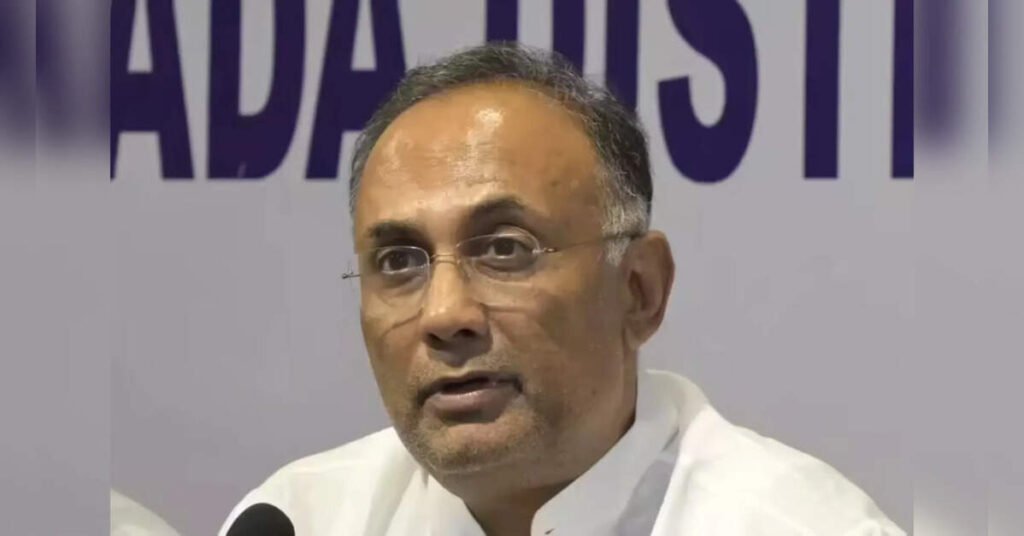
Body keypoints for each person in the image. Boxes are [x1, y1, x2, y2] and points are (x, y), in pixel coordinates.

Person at [219, 43, 903, 535]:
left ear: (639, 290)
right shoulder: (302, 520)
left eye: (504, 249)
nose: (445, 313)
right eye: (399, 261)